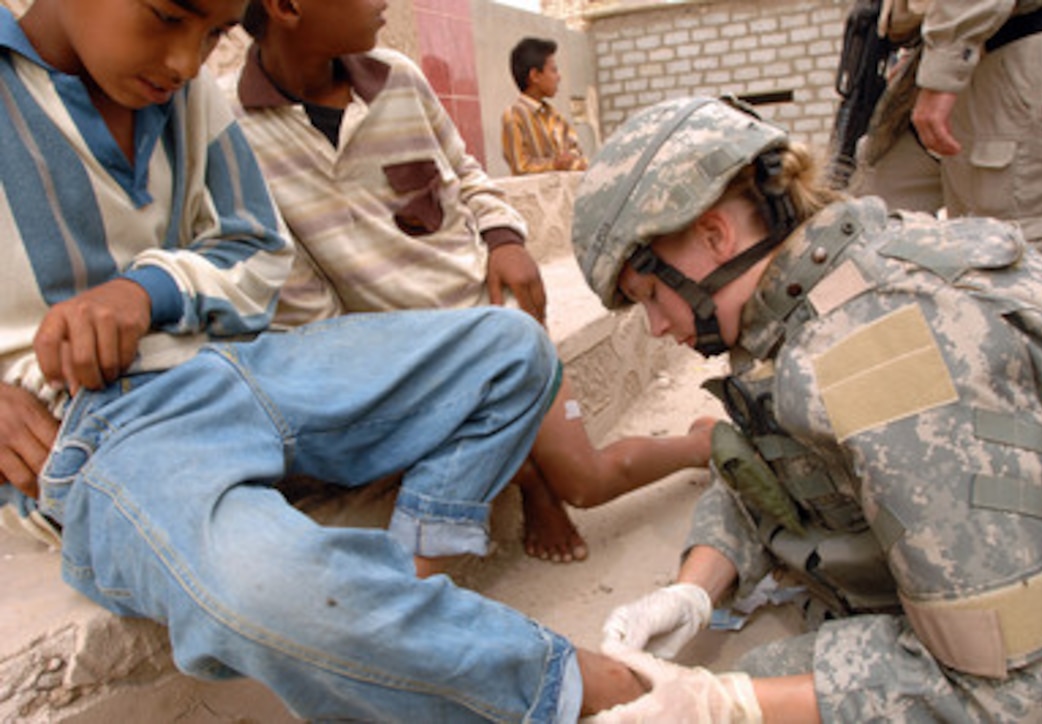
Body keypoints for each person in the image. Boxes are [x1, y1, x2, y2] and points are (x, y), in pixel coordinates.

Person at [0, 0, 650, 719]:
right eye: (165, 15)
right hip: (110, 426)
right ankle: (564, 684)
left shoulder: (194, 99)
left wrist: (146, 290)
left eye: (212, 33)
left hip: (246, 365)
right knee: (261, 587)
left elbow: (255, 250)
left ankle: (410, 576)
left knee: (512, 348)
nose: (187, 62)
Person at [570, 96, 1042, 721]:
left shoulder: (881, 353)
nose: (655, 326)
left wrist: (728, 704)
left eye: (651, 294)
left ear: (714, 236)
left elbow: (1022, 692)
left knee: (762, 683)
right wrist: (694, 589)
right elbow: (777, 468)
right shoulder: (805, 293)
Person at [228, 0, 713, 564]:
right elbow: (303, 301)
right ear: (287, 7)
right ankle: (528, 476)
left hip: (497, 324)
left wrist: (505, 239)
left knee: (587, 481)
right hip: (406, 362)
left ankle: (700, 444)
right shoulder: (232, 130)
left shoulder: (400, 79)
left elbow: (466, 174)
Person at [851, 0, 1042, 270]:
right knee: (872, 225)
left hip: (1015, 49)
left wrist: (942, 70)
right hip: (961, 53)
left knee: (1010, 267)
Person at [501, 36, 588, 176]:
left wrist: (572, 161)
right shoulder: (514, 116)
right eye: (553, 70)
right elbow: (520, 166)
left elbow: (576, 152)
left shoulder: (555, 116)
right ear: (535, 76)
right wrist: (554, 164)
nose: (558, 77)